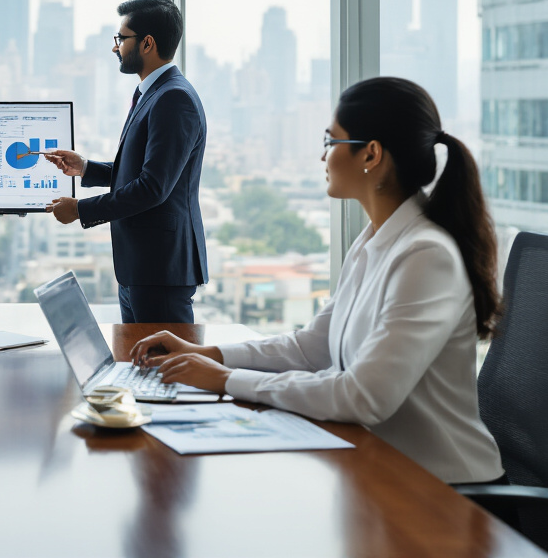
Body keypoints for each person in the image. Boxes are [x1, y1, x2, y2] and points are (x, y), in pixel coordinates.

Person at [131, 77, 505, 484]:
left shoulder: (426, 256)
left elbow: (363, 397)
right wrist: (210, 354)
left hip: (449, 495)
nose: (322, 156)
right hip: (382, 469)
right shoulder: (375, 239)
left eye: (331, 142)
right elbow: (312, 347)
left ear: (371, 154)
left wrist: (225, 380)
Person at [44, 0, 207, 323]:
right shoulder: (153, 93)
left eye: (121, 38)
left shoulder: (173, 98)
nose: (115, 47)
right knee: (140, 367)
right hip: (140, 267)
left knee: (163, 369)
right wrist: (87, 168)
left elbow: (152, 187)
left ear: (146, 43)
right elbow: (144, 171)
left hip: (160, 270)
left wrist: (81, 209)